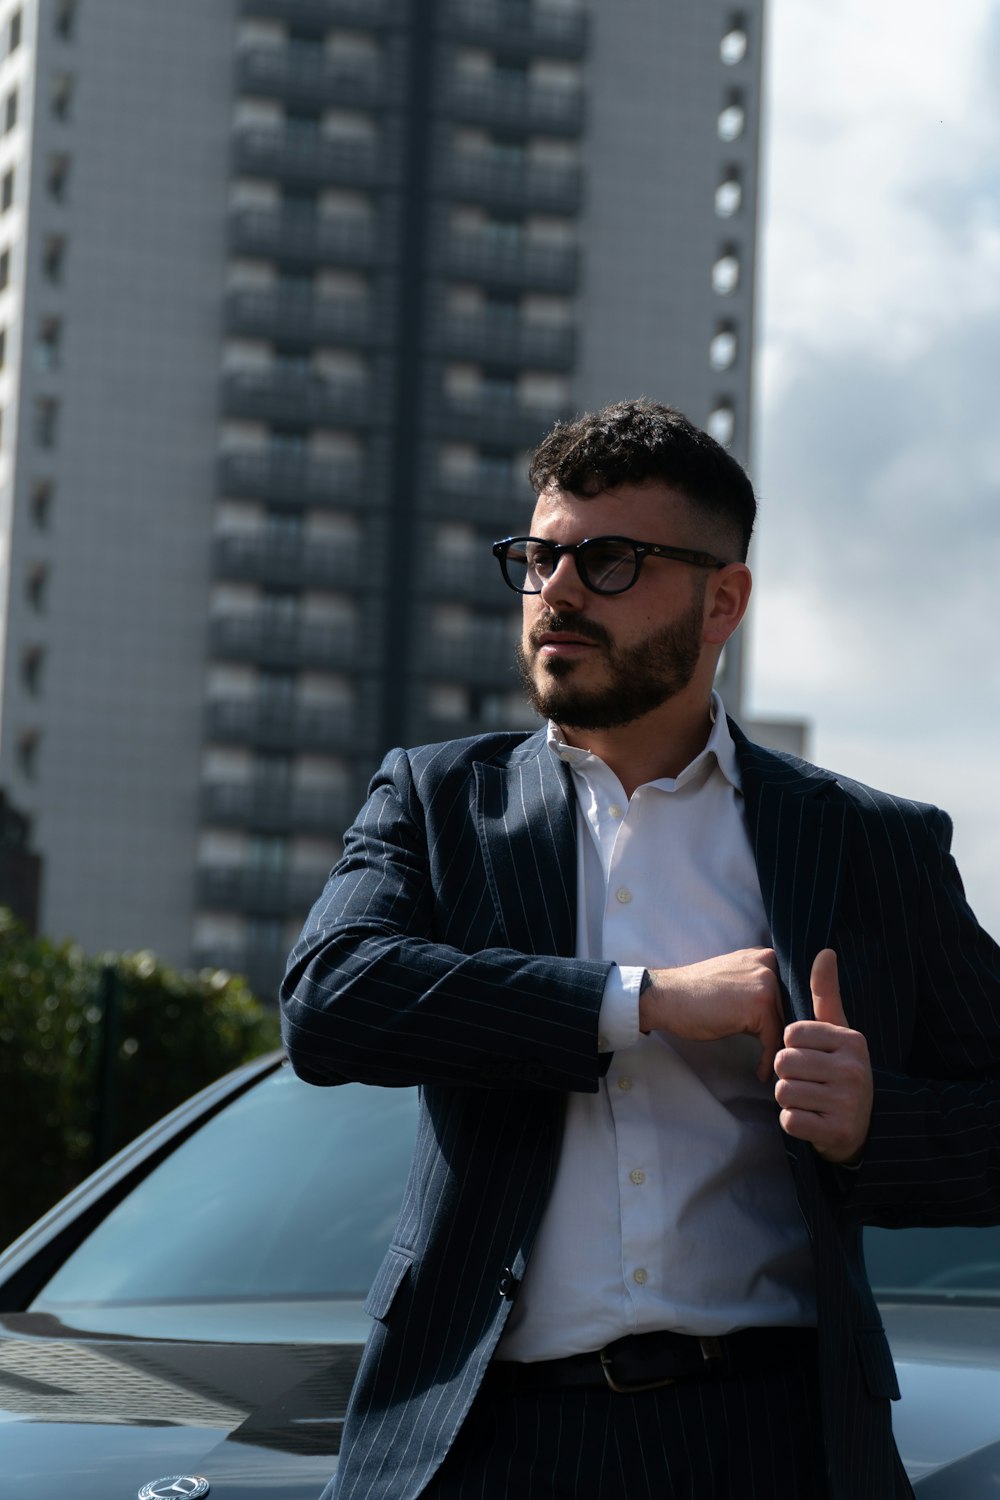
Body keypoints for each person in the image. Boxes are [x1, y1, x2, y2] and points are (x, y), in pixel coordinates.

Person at [281, 399, 1000, 1500]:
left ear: (723, 600)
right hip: (484, 1442)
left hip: (774, 1441)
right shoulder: (434, 802)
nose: (556, 593)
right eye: (539, 557)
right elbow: (330, 1001)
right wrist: (647, 1000)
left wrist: (873, 1123)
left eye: (608, 561)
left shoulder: (867, 846)